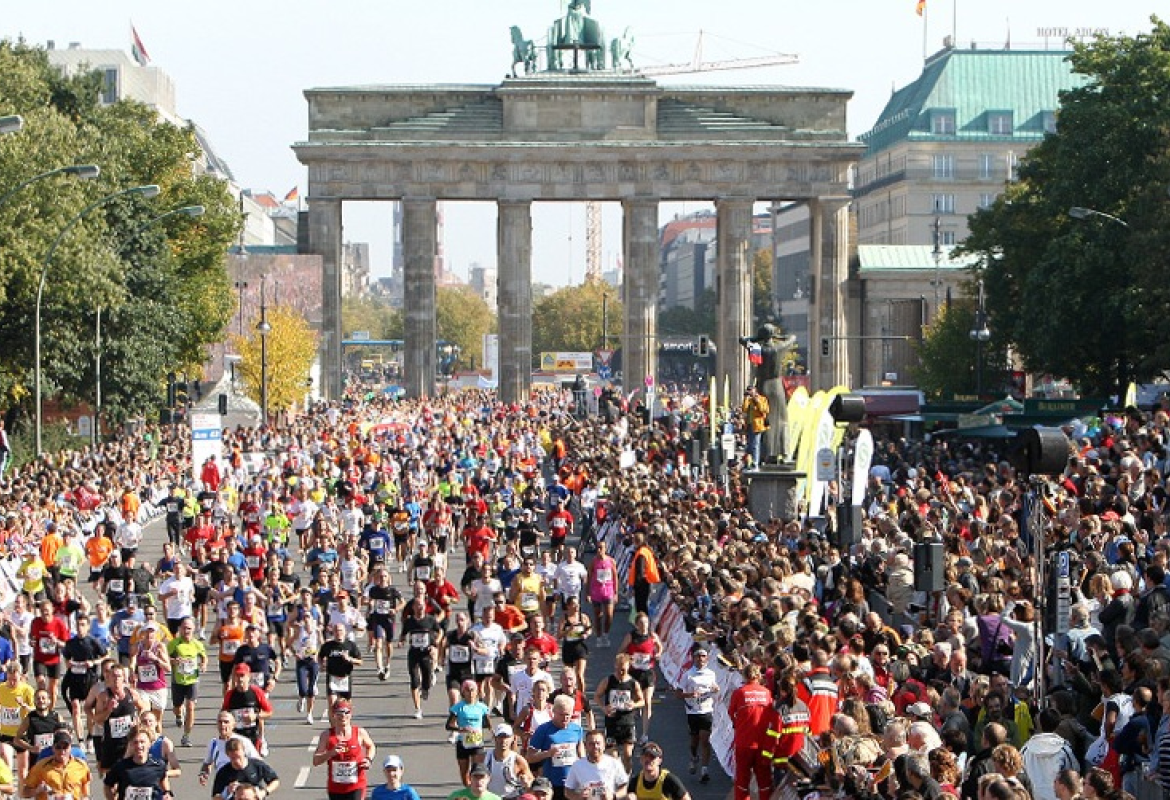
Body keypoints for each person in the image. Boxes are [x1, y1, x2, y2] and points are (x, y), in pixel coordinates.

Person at [727, 663, 775, 800]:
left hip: (744, 743)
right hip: (763, 744)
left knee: (742, 783)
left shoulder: (739, 693)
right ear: (759, 676)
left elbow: (731, 714)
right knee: (764, 783)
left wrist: (740, 726)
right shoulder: (767, 693)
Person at [312, 699, 376, 800]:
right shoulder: (327, 735)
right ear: (333, 714)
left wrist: (368, 759)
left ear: (351, 714)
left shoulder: (359, 732)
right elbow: (315, 761)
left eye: (347, 712)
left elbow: (371, 746)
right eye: (340, 712)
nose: (343, 716)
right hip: (335, 788)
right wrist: (331, 753)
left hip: (357, 785)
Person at [526, 696, 585, 798]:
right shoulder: (543, 730)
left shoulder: (577, 729)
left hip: (572, 783)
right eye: (561, 714)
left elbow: (581, 754)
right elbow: (530, 757)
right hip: (551, 783)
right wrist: (548, 753)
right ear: (554, 712)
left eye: (568, 715)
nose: (565, 718)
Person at [595, 653, 644, 772]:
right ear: (615, 666)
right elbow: (597, 696)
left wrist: (634, 704)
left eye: (624, 669)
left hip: (627, 723)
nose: (621, 672)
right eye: (618, 669)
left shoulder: (633, 683)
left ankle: (627, 778)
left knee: (627, 755)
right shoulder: (608, 680)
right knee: (613, 757)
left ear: (628, 667)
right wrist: (604, 707)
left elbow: (642, 700)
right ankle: (616, 780)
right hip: (612, 723)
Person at [678, 645, 719, 782]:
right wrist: (690, 694)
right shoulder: (688, 675)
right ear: (693, 658)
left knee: (705, 740)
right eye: (698, 656)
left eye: (703, 656)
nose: (700, 659)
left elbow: (715, 688)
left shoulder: (711, 674)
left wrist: (715, 689)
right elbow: (678, 694)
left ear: (707, 659)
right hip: (692, 711)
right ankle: (694, 756)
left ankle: (704, 770)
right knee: (694, 740)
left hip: (706, 710)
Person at [167, 616, 206, 746]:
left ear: (193, 629)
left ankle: (186, 736)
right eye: (184, 628)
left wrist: (204, 664)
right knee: (177, 707)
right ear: (180, 629)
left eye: (189, 628)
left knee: (190, 707)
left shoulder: (197, 644)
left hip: (192, 680)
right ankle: (178, 715)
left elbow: (204, 657)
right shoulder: (174, 643)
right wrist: (174, 661)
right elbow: (166, 659)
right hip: (178, 680)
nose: (186, 630)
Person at [400, 596, 442, 719]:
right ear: (413, 607)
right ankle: (417, 709)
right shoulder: (409, 621)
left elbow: (440, 631)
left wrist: (435, 644)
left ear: (425, 606)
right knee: (414, 680)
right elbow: (403, 634)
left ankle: (425, 688)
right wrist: (401, 641)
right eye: (417, 605)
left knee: (426, 680)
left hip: (426, 653)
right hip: (414, 653)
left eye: (422, 605)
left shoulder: (430, 620)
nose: (420, 607)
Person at [447, 679, 492, 786]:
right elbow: (449, 725)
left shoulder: (482, 707)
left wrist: (493, 732)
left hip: (477, 743)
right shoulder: (458, 707)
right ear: (463, 692)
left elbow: (487, 723)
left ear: (476, 692)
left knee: (477, 771)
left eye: (472, 690)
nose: (470, 693)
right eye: (467, 690)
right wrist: (462, 729)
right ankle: (468, 791)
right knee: (464, 773)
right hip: (463, 742)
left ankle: (475, 792)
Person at [102, 728, 170, 800]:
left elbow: (163, 778)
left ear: (150, 744)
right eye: (135, 742)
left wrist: (167, 792)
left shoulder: (158, 765)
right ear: (130, 744)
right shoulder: (121, 766)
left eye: (142, 742)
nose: (139, 746)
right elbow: (107, 786)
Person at [21, 730, 90, 799]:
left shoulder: (81, 766)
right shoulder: (40, 766)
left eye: (65, 747)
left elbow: (85, 794)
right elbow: (25, 793)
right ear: (53, 748)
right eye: (58, 747)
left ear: (70, 748)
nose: (62, 751)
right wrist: (37, 790)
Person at [198, 711, 260, 787]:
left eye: (226, 722)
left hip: (241, 788)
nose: (223, 725)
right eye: (220, 722)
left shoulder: (243, 741)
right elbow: (207, 763)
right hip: (222, 786)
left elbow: (258, 763)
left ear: (233, 725)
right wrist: (203, 773)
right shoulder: (213, 743)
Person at [221, 663, 272, 755]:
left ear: (248, 677)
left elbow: (269, 712)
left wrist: (255, 716)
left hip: (253, 734)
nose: (240, 679)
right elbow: (223, 713)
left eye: (242, 676)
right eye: (237, 676)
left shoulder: (256, 692)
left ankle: (262, 741)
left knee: (252, 762)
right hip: (236, 735)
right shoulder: (230, 695)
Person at [564, 728, 629, 800]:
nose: (595, 747)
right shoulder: (577, 765)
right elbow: (567, 791)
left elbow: (624, 788)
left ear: (604, 745)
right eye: (591, 744)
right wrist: (578, 797)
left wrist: (613, 796)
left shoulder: (614, 763)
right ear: (586, 746)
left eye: (598, 743)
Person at [211, 736, 279, 800]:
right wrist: (227, 791)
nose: (236, 761)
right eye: (233, 758)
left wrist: (264, 792)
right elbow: (215, 797)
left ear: (244, 751)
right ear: (227, 755)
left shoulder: (257, 765)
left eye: (239, 757)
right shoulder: (224, 772)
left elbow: (275, 780)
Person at [483, 724, 534, 800]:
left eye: (507, 737)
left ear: (513, 738)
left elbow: (531, 781)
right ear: (495, 738)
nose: (503, 740)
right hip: (490, 797)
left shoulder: (518, 760)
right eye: (500, 737)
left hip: (512, 797)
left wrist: (527, 782)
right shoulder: (484, 757)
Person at [626, 740, 690, 800]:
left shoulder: (668, 780)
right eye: (645, 756)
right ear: (641, 759)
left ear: (659, 761)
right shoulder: (635, 782)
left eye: (652, 757)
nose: (648, 759)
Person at [319, 622, 362, 707]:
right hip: (332, 677)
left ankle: (347, 719)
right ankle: (332, 720)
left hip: (345, 677)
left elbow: (360, 661)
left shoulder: (351, 645)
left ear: (345, 632)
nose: (339, 633)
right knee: (332, 703)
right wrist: (321, 665)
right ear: (333, 632)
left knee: (346, 704)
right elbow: (320, 656)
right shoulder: (328, 645)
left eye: (341, 630)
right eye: (336, 631)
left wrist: (350, 659)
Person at [741, 386, 770, 466]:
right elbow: (744, 409)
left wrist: (757, 401)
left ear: (755, 391)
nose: (750, 392)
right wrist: (746, 398)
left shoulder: (762, 399)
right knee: (750, 445)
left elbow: (764, 410)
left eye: (751, 391)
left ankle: (755, 462)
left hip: (758, 425)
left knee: (755, 444)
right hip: (749, 425)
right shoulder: (749, 400)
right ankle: (750, 461)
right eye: (748, 391)